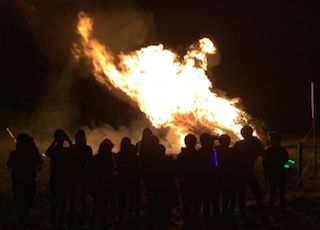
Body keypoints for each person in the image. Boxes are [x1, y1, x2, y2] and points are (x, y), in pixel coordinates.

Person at [7, 133, 43, 230]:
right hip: (25, 182)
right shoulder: (18, 154)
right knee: (23, 203)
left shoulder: (20, 153)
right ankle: (22, 223)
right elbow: (9, 163)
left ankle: (22, 222)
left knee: (23, 203)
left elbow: (39, 162)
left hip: (23, 182)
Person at [233, 125, 267, 222]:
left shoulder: (238, 145)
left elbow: (234, 159)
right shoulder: (256, 143)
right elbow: (263, 154)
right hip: (248, 172)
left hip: (239, 172)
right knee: (257, 193)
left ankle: (243, 215)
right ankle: (262, 213)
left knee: (241, 194)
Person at [45, 129, 76, 229]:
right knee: (58, 201)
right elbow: (47, 153)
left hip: (59, 178)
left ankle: (56, 221)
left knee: (59, 201)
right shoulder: (60, 150)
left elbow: (75, 154)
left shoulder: (62, 150)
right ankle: (57, 221)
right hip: (60, 178)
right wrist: (69, 141)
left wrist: (57, 141)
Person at [88, 138, 116, 230]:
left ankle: (100, 223)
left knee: (101, 206)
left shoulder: (105, 159)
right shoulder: (105, 159)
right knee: (99, 206)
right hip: (101, 186)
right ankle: (96, 223)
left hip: (103, 186)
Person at [177, 134, 202, 229]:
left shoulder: (181, 156)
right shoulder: (198, 155)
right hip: (196, 185)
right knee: (195, 206)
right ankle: (193, 224)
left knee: (187, 206)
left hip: (186, 185)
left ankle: (187, 224)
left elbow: (178, 171)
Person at [263, 131, 289, 221]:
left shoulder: (283, 151)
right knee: (272, 195)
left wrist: (285, 168)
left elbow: (289, 161)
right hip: (272, 176)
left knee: (282, 195)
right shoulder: (267, 152)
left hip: (281, 175)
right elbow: (265, 166)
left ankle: (283, 212)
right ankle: (272, 213)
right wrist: (267, 175)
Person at [115, 137, 142, 224]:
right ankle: (135, 217)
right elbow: (138, 169)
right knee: (134, 200)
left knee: (121, 201)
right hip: (132, 181)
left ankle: (121, 218)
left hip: (121, 181)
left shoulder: (118, 156)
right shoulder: (133, 157)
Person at [69, 129, 93, 224]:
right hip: (75, 173)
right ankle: (73, 214)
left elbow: (90, 162)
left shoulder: (87, 148)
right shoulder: (76, 148)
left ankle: (82, 213)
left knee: (82, 194)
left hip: (82, 173)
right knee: (74, 195)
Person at [198, 133, 220, 228]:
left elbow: (216, 164)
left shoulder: (212, 151)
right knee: (208, 202)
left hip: (212, 179)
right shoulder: (201, 152)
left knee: (214, 202)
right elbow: (205, 157)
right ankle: (209, 221)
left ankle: (215, 220)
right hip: (206, 179)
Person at [215, 134, 238, 219]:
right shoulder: (218, 151)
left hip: (228, 177)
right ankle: (227, 215)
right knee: (229, 198)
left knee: (230, 198)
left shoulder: (219, 151)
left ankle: (227, 214)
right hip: (225, 177)